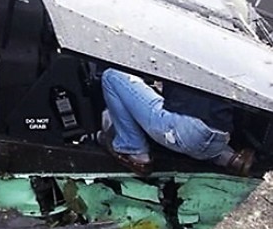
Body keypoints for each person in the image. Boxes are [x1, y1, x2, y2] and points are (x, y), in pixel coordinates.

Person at [96, 69, 253, 176]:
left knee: (112, 76)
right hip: (220, 136)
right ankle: (231, 160)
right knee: (201, 135)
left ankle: (134, 152)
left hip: (188, 132)